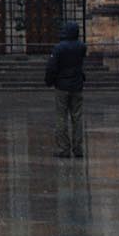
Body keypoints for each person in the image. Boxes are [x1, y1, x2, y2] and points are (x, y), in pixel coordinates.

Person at [46, 21, 87, 158]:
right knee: (77, 117)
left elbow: (52, 66)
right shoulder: (81, 47)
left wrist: (49, 81)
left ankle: (63, 148)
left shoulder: (59, 48)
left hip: (62, 86)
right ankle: (78, 148)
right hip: (77, 85)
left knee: (61, 117)